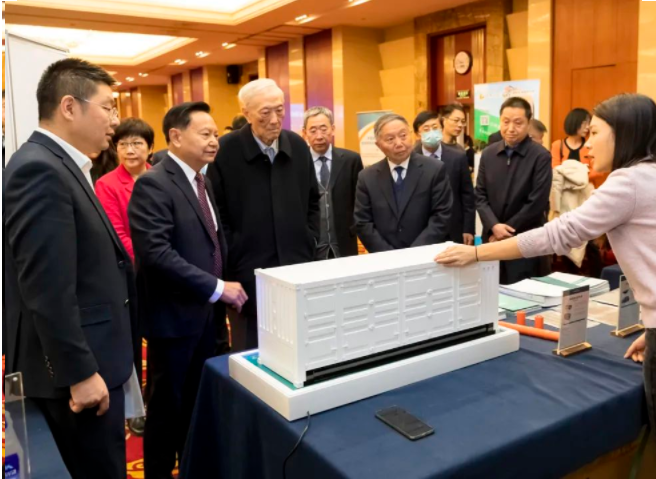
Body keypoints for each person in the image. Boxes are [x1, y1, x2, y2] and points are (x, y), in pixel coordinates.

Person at [435, 93, 656, 436]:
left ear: (624, 134)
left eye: (596, 133)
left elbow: (559, 233)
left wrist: (477, 253)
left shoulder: (628, 182)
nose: (587, 144)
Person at [3, 58, 139, 479]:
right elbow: (46, 289)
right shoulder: (40, 170)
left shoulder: (61, 164)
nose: (114, 121)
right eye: (108, 107)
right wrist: (79, 372)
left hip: (90, 359)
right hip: (74, 375)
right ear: (68, 106)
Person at [129, 102, 247, 479]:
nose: (214, 141)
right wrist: (217, 287)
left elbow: (212, 242)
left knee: (199, 404)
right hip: (174, 320)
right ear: (176, 137)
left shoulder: (202, 180)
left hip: (208, 316)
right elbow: (156, 254)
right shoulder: (153, 183)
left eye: (216, 134)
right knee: (167, 410)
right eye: (205, 134)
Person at [206, 79, 320, 353]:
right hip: (248, 271)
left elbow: (313, 201)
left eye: (280, 110)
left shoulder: (297, 145)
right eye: (265, 113)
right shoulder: (226, 151)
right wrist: (234, 253)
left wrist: (309, 239)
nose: (274, 119)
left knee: (298, 343)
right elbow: (217, 213)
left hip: (296, 264)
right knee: (253, 348)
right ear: (246, 113)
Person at [475, 97, 552, 284]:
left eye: (518, 123)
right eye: (505, 121)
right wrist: (494, 225)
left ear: (528, 123)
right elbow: (480, 195)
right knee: (490, 289)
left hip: (525, 239)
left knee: (524, 291)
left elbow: (537, 202)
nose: (511, 128)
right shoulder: (488, 154)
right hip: (491, 239)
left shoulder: (540, 156)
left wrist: (506, 231)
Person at [354, 113, 453, 253]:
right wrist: (388, 254)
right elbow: (363, 222)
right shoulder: (367, 177)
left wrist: (412, 254)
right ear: (378, 145)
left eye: (403, 135)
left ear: (411, 135)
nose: (399, 143)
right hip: (384, 258)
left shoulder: (434, 169)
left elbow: (441, 216)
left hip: (425, 254)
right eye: (390, 139)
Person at [302, 106, 363, 259]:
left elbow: (359, 201)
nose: (319, 136)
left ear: (333, 129)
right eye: (313, 130)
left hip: (344, 241)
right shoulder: (298, 163)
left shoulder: (351, 160)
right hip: (311, 245)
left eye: (324, 129)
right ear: (304, 133)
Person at [413, 110, 475, 245]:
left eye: (435, 127)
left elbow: (467, 195)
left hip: (453, 228)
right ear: (418, 133)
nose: (431, 132)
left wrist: (468, 228)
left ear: (441, 128)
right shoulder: (411, 159)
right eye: (426, 129)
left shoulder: (458, 157)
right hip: (420, 231)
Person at [96, 118, 154, 261]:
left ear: (150, 148)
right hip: (135, 263)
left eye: (136, 143)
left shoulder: (163, 178)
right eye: (122, 144)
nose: (129, 151)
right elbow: (117, 234)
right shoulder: (106, 184)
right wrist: (151, 258)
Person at [551, 108, 608, 189]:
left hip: (587, 191)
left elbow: (598, 171)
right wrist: (580, 176)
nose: (587, 127)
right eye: (584, 123)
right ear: (574, 123)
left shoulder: (590, 145)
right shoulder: (558, 145)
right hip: (565, 191)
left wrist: (575, 178)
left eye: (589, 123)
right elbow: (555, 169)